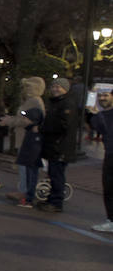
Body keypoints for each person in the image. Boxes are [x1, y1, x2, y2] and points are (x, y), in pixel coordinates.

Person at [0, 76, 46, 206]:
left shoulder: (35, 101)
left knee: (26, 166)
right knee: (24, 166)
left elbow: (27, 120)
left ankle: (25, 192)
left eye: (28, 87)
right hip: (25, 137)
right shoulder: (31, 100)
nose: (25, 89)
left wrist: (10, 121)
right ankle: (24, 190)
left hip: (28, 138)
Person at [37, 77, 78, 213]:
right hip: (53, 145)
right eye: (54, 86)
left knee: (57, 175)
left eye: (58, 87)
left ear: (65, 89)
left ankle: (56, 202)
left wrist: (46, 128)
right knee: (53, 174)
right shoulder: (55, 103)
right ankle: (52, 199)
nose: (55, 89)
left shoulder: (67, 104)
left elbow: (64, 124)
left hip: (60, 146)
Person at [88, 86, 113, 232]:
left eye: (105, 95)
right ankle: (111, 220)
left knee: (110, 188)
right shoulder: (103, 113)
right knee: (109, 188)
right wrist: (92, 115)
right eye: (100, 96)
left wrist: (97, 116)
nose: (102, 98)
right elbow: (99, 129)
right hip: (109, 153)